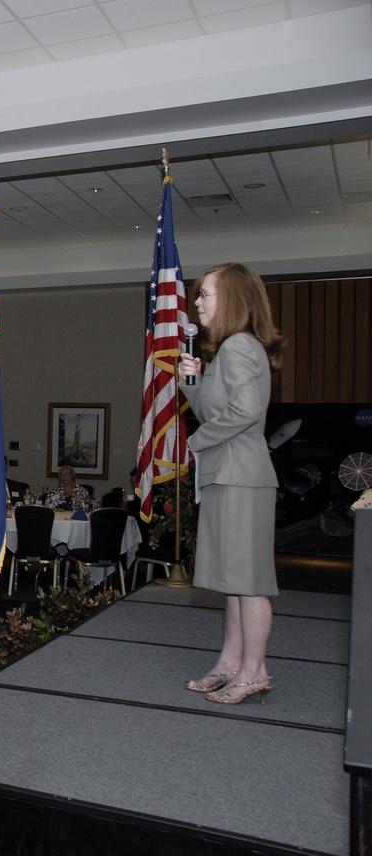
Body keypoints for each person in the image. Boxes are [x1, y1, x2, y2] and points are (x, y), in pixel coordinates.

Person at [178, 262, 284, 706]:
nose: (198, 302)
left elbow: (243, 413)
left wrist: (196, 442)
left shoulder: (241, 346)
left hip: (242, 474)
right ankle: (230, 663)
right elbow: (212, 410)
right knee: (234, 580)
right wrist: (192, 380)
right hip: (228, 473)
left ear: (234, 299)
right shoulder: (227, 352)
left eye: (206, 294)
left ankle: (254, 671)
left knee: (251, 580)